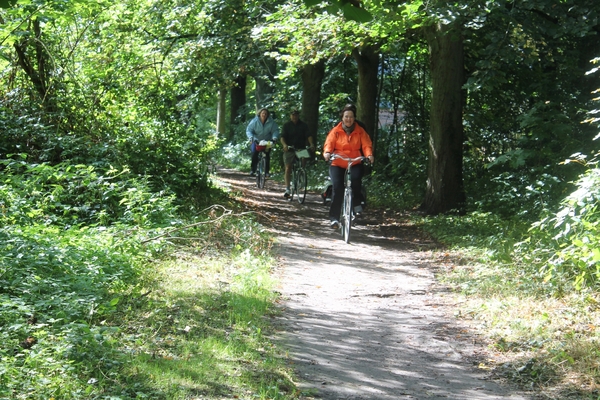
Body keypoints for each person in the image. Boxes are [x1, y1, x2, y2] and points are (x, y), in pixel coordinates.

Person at [323, 104, 374, 229]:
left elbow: (366, 144)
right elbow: (329, 143)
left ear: (354, 118)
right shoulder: (336, 130)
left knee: (356, 180)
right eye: (346, 117)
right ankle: (334, 218)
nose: (348, 119)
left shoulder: (360, 131)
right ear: (342, 117)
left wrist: (369, 155)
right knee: (338, 188)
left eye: (351, 117)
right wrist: (328, 153)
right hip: (338, 162)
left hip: (354, 161)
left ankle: (356, 203)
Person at [280, 109, 315, 198]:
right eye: (293, 115)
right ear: (290, 116)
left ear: (298, 116)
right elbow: (282, 137)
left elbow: (309, 135)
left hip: (300, 148)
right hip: (290, 149)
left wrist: (311, 144)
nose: (294, 117)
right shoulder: (286, 125)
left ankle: (301, 173)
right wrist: (285, 145)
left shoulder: (303, 125)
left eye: (296, 115)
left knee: (304, 158)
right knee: (288, 168)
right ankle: (287, 188)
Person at [246, 108, 279, 177]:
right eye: (262, 113)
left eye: (265, 114)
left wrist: (274, 138)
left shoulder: (271, 122)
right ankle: (253, 170)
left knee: (267, 155)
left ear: (267, 115)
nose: (264, 115)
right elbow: (249, 130)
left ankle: (266, 171)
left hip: (267, 141)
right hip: (256, 140)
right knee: (254, 153)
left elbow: (275, 131)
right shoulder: (254, 121)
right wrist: (251, 137)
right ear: (259, 114)